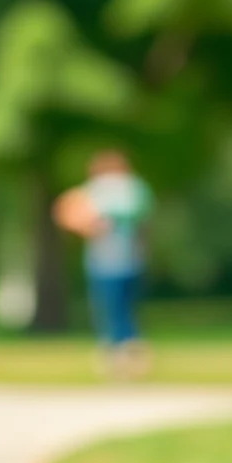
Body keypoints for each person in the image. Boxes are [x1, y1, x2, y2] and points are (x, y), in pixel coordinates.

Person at [53, 149, 154, 378]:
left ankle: (118, 353)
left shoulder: (96, 191)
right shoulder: (135, 188)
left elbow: (65, 212)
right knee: (125, 310)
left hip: (106, 261)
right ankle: (128, 350)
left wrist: (89, 226)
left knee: (110, 310)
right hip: (130, 260)